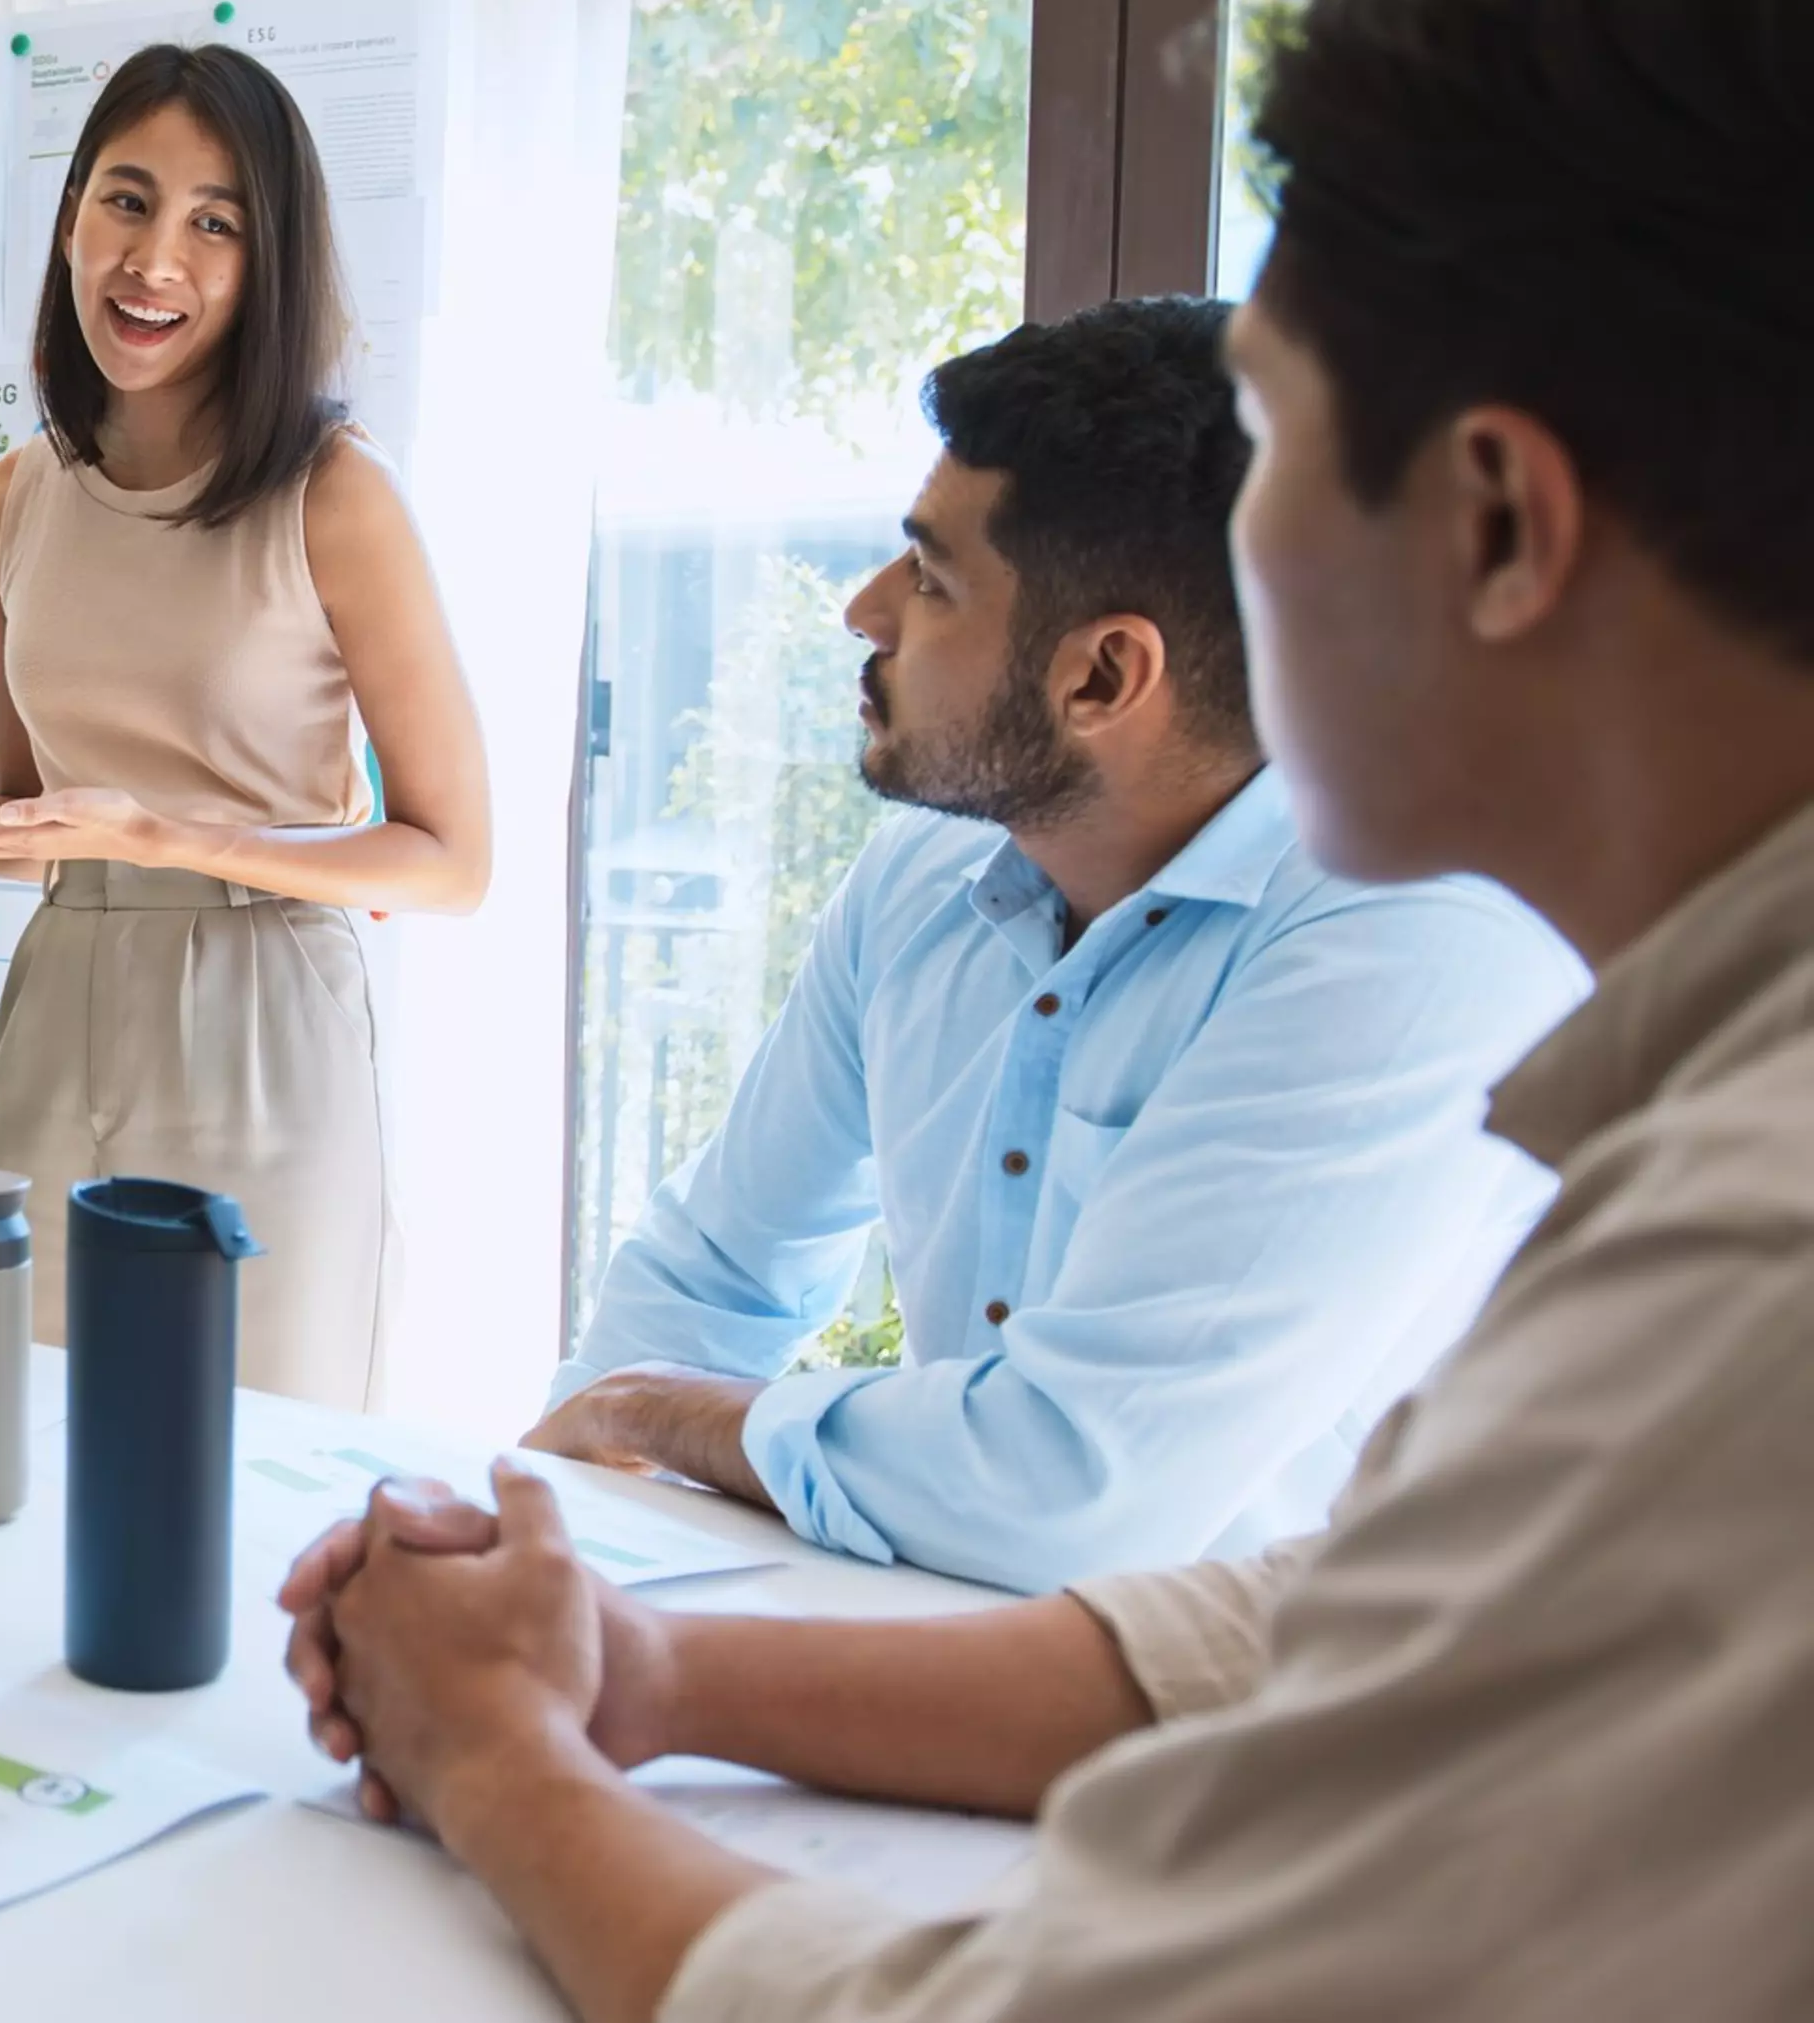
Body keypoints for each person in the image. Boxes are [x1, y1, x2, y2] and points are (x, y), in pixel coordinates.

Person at [282, 0, 1814, 2014]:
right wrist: (634, 1664)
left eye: (1279, 452)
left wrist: (498, 1759)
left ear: (1496, 525)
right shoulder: (1711, 1118)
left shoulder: (1747, 1248)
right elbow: (1322, 1618)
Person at [530, 298, 1583, 1591]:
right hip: (961, 1658)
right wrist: (545, 1533)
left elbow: (1072, 1488)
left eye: (927, 578)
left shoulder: (1423, 937)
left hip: (1317, 1735)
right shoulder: (925, 877)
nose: (864, 612)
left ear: (1101, 679)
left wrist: (657, 1413)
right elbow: (716, 1274)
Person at [0, 42, 491, 1408]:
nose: (155, 261)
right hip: (57, 1015)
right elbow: (41, 832)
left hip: (263, 1027)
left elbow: (449, 857)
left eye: (216, 223)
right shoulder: (6, 502)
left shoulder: (335, 497)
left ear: (269, 263)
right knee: (21, 1453)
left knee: (251, 1476)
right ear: (71, 214)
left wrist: (173, 837)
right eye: (127, 201)